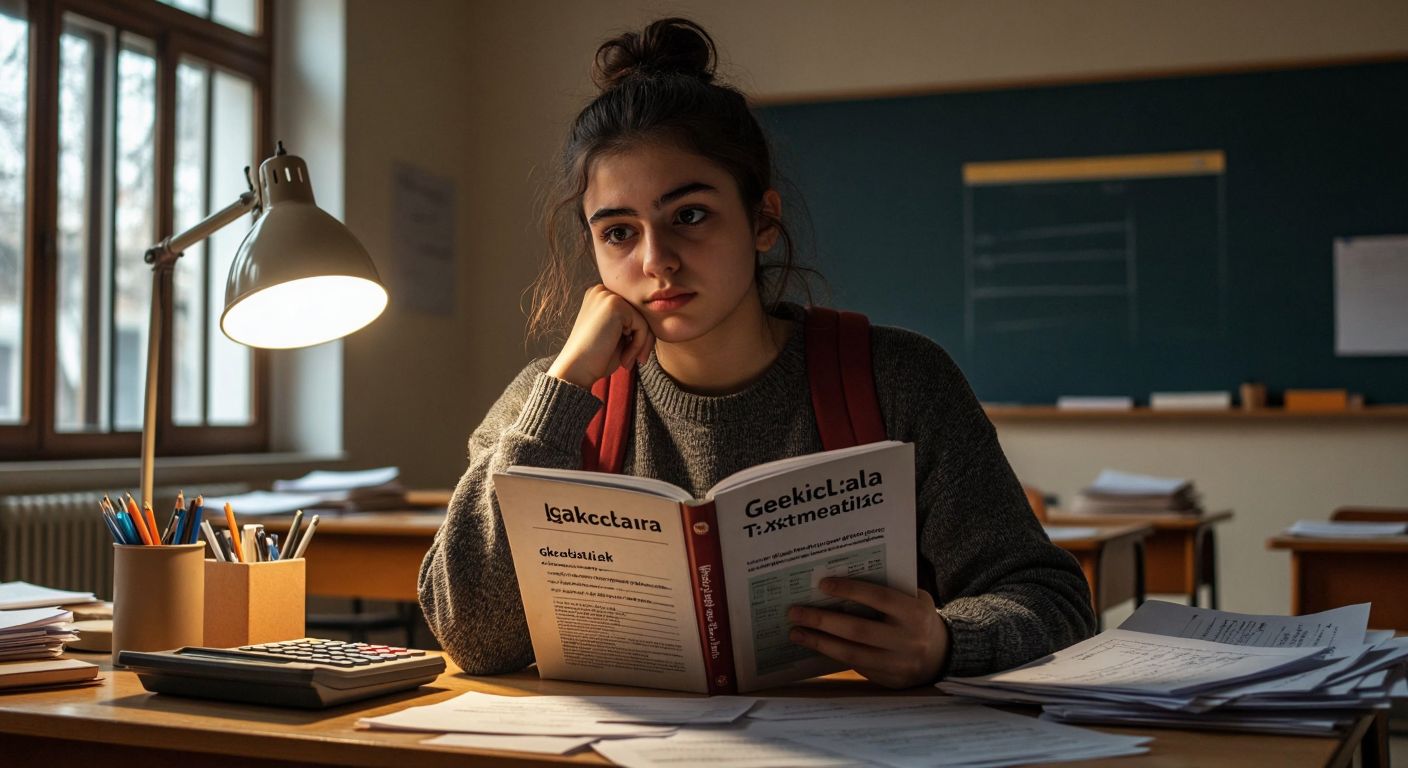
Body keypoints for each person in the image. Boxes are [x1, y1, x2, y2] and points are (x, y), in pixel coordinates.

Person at [418, 17, 1094, 688]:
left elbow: (1052, 600)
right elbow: (473, 638)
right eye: (619, 232)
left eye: (689, 215)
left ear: (763, 220)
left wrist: (947, 642)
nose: (657, 261)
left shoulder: (899, 379)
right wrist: (566, 384)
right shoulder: (551, 400)